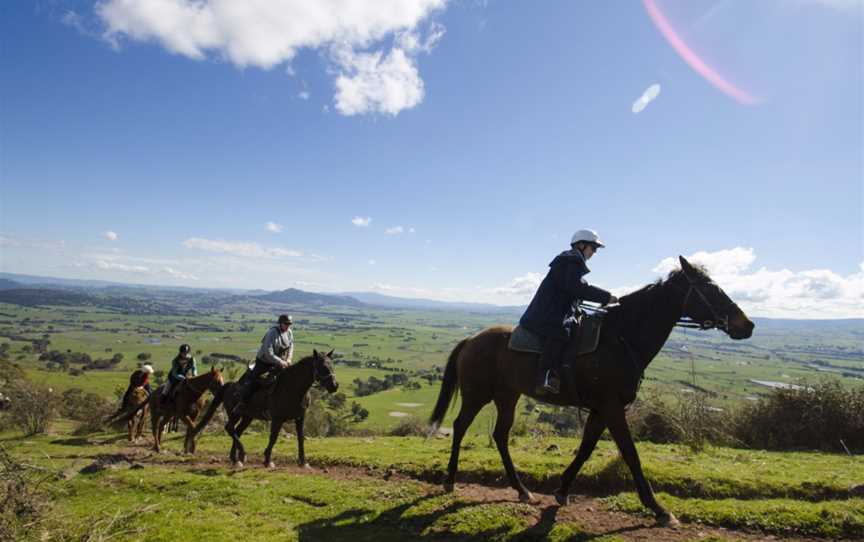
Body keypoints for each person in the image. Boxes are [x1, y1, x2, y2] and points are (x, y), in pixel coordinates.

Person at [519, 229, 618, 396]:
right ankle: (545, 377)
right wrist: (606, 297)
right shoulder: (570, 261)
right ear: (581, 245)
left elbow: (574, 291)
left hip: (557, 310)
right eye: (592, 248)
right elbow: (577, 288)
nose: (594, 252)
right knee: (561, 332)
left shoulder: (572, 263)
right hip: (548, 314)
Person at [238, 314, 294, 406]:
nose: (288, 326)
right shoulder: (272, 333)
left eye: (289, 324)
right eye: (286, 324)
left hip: (280, 362)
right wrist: (281, 362)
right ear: (280, 323)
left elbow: (291, 345)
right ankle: (242, 403)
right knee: (255, 380)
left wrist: (289, 358)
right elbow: (268, 352)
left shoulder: (289, 332)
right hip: (264, 362)